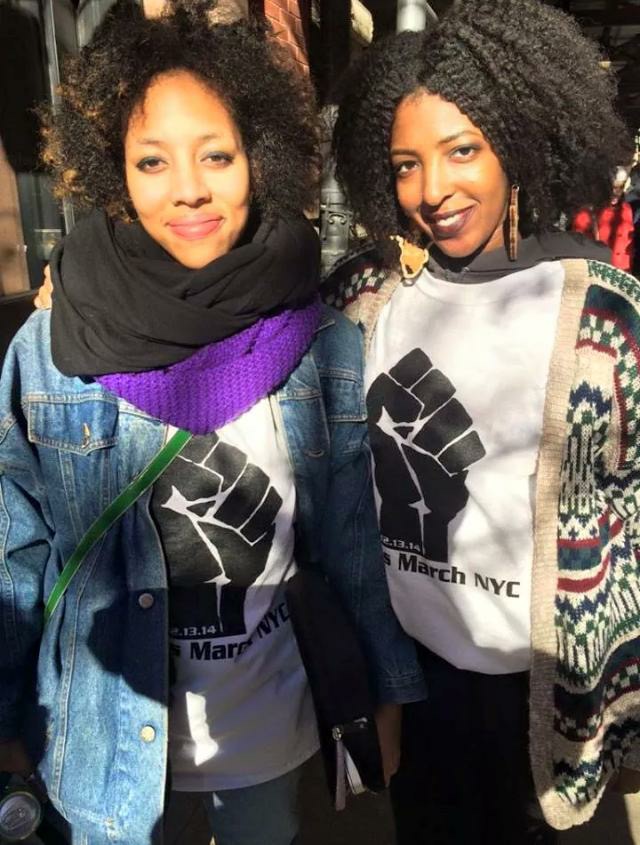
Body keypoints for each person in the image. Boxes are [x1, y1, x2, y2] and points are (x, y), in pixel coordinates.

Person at [0, 3, 426, 844]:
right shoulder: (52, 348)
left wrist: (386, 689)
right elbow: (13, 549)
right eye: (151, 160)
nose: (188, 188)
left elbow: (350, 546)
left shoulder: (324, 345)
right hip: (97, 744)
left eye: (217, 156)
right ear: (114, 171)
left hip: (269, 738)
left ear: (258, 160)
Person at [325, 1, 640, 842]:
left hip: (550, 699)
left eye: (462, 149)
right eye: (404, 165)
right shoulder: (368, 296)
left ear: (518, 137)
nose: (433, 190)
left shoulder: (599, 305)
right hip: (418, 685)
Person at [573, 166, 635, 271]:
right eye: (612, 187)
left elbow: (628, 243)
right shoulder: (588, 212)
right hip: (599, 272)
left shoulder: (626, 209)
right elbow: (578, 244)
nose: (615, 192)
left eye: (620, 187)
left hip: (622, 272)